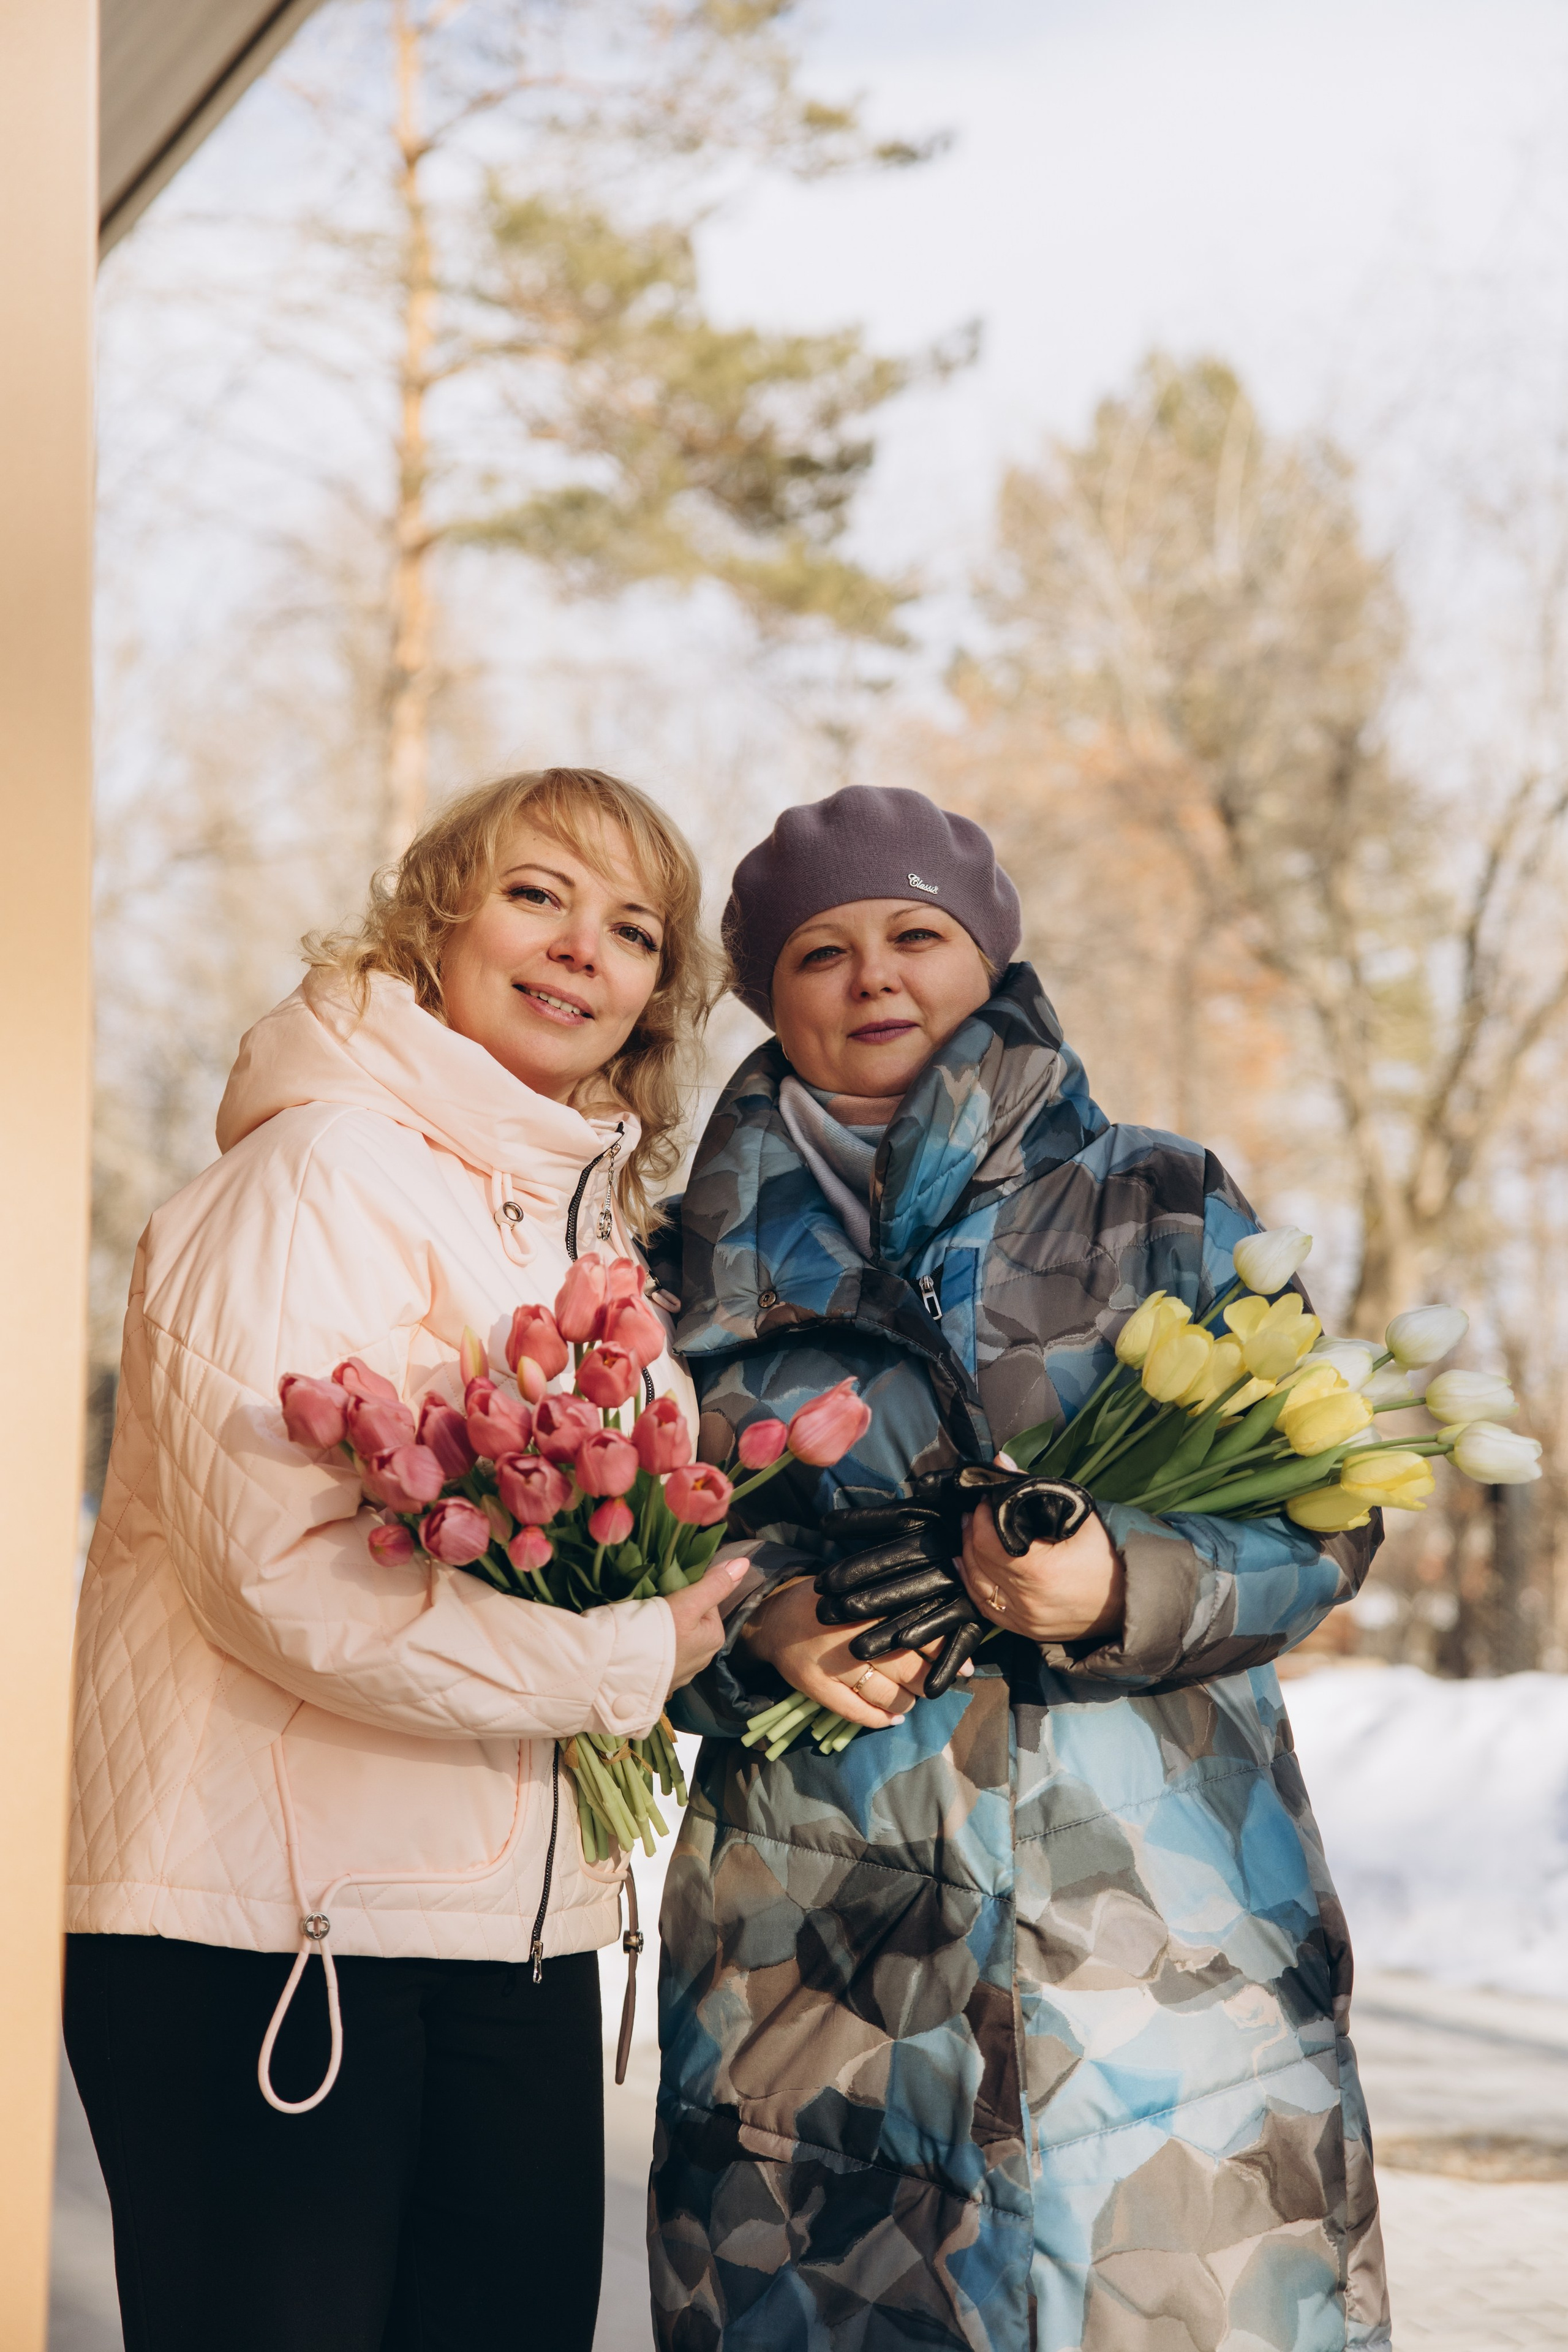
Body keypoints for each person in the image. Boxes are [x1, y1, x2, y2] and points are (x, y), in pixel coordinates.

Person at [652, 785, 1390, 2352]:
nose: (873, 978)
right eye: (819, 954)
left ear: (987, 957)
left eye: (915, 934)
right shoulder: (682, 1271)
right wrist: (761, 1628)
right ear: (761, 1000)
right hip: (821, 1966)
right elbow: (630, 1573)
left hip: (1160, 1949)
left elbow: (1329, 1516)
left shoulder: (1158, 1203)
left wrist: (1121, 1578)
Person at [65, 766, 745, 2352]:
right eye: (537, 895)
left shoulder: (581, 1244)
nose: (585, 947)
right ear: (436, 920)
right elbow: (283, 1576)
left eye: (632, 926)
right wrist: (622, 1660)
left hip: (502, 1936)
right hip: (270, 1932)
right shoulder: (311, 1178)